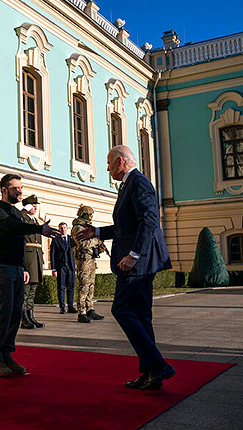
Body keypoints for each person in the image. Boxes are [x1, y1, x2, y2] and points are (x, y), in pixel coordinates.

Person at [76, 145, 175, 391]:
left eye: (109, 163)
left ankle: (158, 366)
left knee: (121, 309)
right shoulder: (129, 185)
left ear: (120, 161)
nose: (107, 168)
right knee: (141, 316)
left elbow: (149, 220)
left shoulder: (139, 183)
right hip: (138, 260)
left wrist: (134, 254)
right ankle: (151, 374)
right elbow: (125, 227)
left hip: (136, 263)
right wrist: (96, 232)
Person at [0, 174, 61, 377]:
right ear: (4, 190)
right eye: (15, 188)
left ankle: (6, 355)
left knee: (16, 314)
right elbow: (12, 228)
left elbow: (19, 243)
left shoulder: (18, 213)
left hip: (16, 269)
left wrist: (24, 268)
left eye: (21, 188)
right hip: (1, 267)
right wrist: (39, 228)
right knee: (4, 312)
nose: (20, 191)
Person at [71, 205, 106, 323]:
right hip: (83, 260)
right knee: (84, 286)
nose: (91, 217)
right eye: (90, 215)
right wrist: (96, 240)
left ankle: (90, 309)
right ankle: (82, 312)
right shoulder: (77, 228)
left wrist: (99, 246)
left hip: (91, 260)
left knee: (91, 286)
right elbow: (82, 244)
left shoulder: (88, 227)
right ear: (85, 215)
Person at [20, 194, 45, 329]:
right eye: (33, 206)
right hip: (28, 259)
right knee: (26, 290)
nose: (35, 208)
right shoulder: (22, 218)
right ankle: (24, 318)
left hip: (35, 259)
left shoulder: (35, 221)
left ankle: (31, 316)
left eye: (36, 206)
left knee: (32, 290)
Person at [50, 222, 76, 314]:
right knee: (61, 287)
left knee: (71, 287)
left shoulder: (71, 239)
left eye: (64, 228)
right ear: (59, 229)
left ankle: (70, 306)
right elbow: (52, 254)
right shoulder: (55, 239)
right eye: (61, 228)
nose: (63, 230)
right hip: (60, 267)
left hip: (71, 266)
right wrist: (53, 269)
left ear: (67, 228)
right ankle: (62, 307)